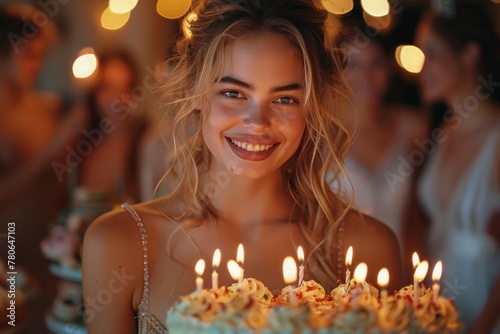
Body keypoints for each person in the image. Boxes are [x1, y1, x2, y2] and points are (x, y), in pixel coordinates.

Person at [82, 0, 403, 332]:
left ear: (314, 107)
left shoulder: (368, 250)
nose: (258, 122)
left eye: (285, 99)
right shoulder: (119, 243)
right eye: (234, 93)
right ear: (194, 92)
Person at [412, 2, 500, 333]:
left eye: (432, 54)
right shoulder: (443, 134)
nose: (422, 67)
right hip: (441, 316)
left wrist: (483, 326)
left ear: (469, 53)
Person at [332, 21, 427, 264]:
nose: (365, 75)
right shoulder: (322, 129)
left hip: (400, 261)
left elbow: (419, 213)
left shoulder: (413, 126)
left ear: (389, 68)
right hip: (339, 267)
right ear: (337, 70)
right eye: (353, 64)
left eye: (375, 63)